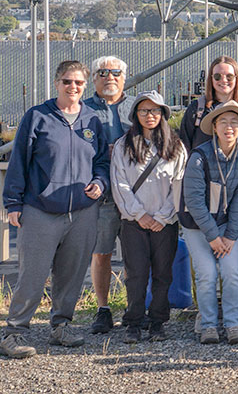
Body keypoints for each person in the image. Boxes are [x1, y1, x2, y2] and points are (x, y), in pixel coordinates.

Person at [0, 61, 108, 359]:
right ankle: (14, 332)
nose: (73, 87)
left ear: (85, 86)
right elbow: (19, 161)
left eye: (78, 83)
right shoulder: (37, 116)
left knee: (72, 274)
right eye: (67, 82)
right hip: (40, 210)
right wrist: (13, 203)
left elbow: (101, 161)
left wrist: (100, 182)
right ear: (57, 83)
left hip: (82, 212)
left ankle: (61, 326)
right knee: (32, 275)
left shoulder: (92, 120)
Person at [110, 91, 187, 344]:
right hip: (133, 222)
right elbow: (119, 183)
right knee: (136, 274)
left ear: (163, 113)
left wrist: (163, 217)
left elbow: (179, 184)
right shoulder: (124, 145)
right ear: (135, 115)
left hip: (165, 223)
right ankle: (133, 321)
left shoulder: (175, 146)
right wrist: (139, 214)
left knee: (163, 274)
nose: (149, 115)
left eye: (155, 110)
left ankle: (157, 321)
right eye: (144, 110)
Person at [180, 101, 238, 345]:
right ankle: (208, 324)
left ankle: (233, 324)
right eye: (223, 121)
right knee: (207, 273)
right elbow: (193, 201)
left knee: (232, 272)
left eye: (235, 122)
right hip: (197, 225)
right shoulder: (198, 156)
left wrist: (230, 236)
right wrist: (213, 237)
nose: (229, 127)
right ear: (214, 127)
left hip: (226, 224)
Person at [82, 55, 132, 334]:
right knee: (101, 254)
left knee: (135, 257)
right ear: (94, 78)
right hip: (101, 196)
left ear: (124, 77)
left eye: (115, 72)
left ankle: (133, 307)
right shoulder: (82, 109)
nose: (109, 77)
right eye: (103, 72)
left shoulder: (138, 106)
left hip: (135, 195)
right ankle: (103, 309)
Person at [181, 56, 238, 152]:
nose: (224, 80)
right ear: (211, 79)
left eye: (229, 76)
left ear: (236, 78)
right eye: (217, 76)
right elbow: (184, 146)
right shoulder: (196, 109)